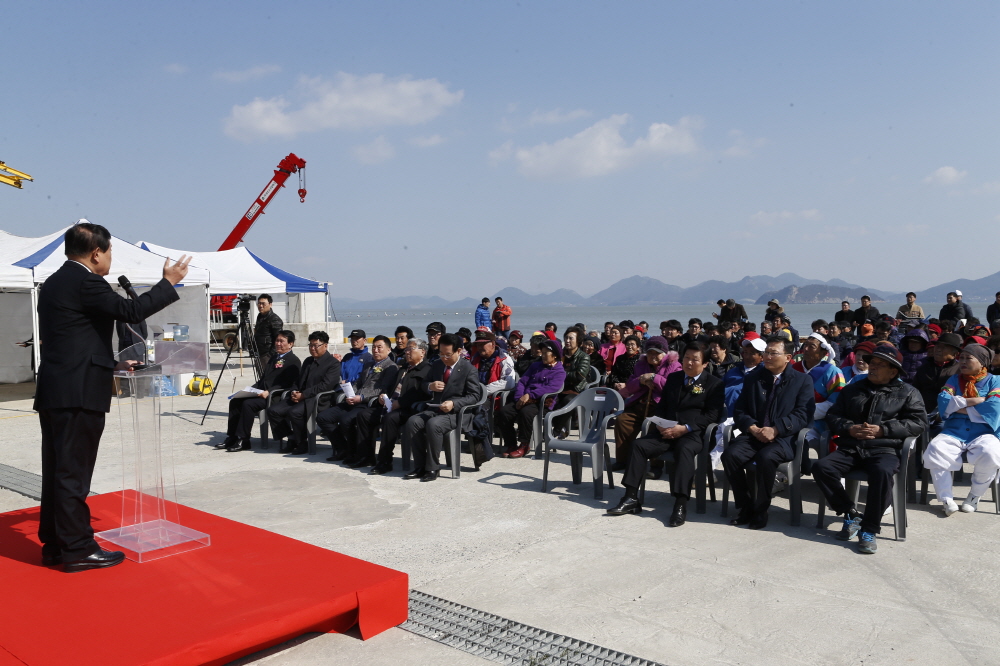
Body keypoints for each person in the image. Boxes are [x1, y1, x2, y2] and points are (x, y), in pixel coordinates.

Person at [35, 222, 190, 572]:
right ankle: (77, 549)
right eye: (108, 253)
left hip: (57, 388)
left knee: (57, 470)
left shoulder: (53, 283)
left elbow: (74, 339)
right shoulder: (86, 281)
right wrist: (169, 283)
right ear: (95, 253)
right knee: (73, 473)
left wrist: (112, 362)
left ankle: (56, 544)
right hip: (78, 392)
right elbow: (130, 312)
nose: (108, 261)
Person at [815, 344, 927, 554]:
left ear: (893, 371)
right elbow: (833, 416)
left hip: (884, 449)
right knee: (822, 467)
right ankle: (851, 513)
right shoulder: (853, 388)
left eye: (879, 365)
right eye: (872, 363)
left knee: (882, 472)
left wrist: (883, 430)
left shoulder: (908, 392)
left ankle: (869, 529)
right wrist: (850, 428)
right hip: (852, 447)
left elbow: (918, 423)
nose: (872, 367)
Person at [607, 342, 724, 527]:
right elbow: (662, 406)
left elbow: (712, 415)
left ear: (705, 364)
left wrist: (685, 428)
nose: (689, 363)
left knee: (684, 451)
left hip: (692, 434)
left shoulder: (714, 384)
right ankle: (630, 498)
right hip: (667, 431)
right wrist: (660, 423)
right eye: (686, 358)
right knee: (638, 446)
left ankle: (680, 504)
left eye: (695, 360)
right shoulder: (675, 378)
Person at [721, 337, 815, 529]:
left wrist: (777, 429)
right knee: (730, 455)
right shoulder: (753, 378)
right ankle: (746, 506)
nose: (767, 357)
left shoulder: (802, 381)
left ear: (788, 357)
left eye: (773, 353)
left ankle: (761, 508)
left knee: (766, 457)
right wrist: (753, 428)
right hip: (755, 433)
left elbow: (803, 415)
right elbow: (740, 410)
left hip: (784, 438)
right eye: (766, 353)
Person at [922, 344, 1000, 515]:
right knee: (936, 448)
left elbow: (994, 406)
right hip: (954, 431)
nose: (962, 362)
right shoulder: (954, 380)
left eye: (968, 358)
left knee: (991, 452)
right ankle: (946, 498)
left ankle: (975, 495)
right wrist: (977, 401)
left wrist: (958, 404)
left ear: (982, 362)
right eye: (961, 358)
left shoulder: (995, 381)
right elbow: (943, 401)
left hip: (984, 432)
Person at [402, 334, 484, 481]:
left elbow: (474, 396)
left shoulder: (468, 369)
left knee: (434, 425)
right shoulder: (437, 365)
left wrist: (454, 403)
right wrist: (430, 386)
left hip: (458, 413)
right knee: (413, 422)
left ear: (459, 351)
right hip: (437, 408)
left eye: (448, 354)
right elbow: (424, 384)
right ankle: (420, 466)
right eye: (441, 353)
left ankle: (433, 468)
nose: (444, 358)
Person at [319, 335, 399, 467]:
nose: (376, 350)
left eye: (380, 347)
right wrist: (350, 392)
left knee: (346, 420)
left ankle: (356, 453)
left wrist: (361, 397)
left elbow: (382, 389)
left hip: (368, 403)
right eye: (374, 347)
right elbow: (359, 383)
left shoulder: (391, 367)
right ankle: (343, 448)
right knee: (323, 417)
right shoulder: (368, 363)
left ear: (389, 349)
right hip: (354, 400)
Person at [219, 329, 301, 452]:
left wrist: (269, 391)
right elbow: (263, 379)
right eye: (277, 340)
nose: (278, 343)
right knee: (236, 401)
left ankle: (244, 439)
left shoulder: (293, 361)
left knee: (248, 404)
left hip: (275, 396)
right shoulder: (274, 358)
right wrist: (249, 389)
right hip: (262, 392)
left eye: (281, 341)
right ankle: (232, 436)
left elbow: (288, 384)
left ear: (290, 344)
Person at [267, 331, 342, 454]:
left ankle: (302, 442)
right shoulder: (308, 361)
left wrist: (304, 395)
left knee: (294, 412)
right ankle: (292, 438)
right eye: (310, 345)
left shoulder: (332, 363)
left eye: (316, 345)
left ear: (325, 345)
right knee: (273, 411)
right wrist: (294, 391)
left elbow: (325, 386)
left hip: (318, 399)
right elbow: (298, 380)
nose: (312, 348)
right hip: (301, 396)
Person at [613, 338, 680, 470]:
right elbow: (629, 387)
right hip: (639, 404)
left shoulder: (674, 366)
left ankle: (656, 466)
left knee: (655, 427)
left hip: (659, 407)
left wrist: (654, 378)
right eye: (650, 353)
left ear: (664, 353)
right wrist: (641, 381)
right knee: (622, 421)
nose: (653, 356)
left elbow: (672, 388)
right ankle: (623, 460)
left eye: (657, 353)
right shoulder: (640, 365)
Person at [366, 339, 431, 475]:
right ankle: (364, 456)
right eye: (406, 350)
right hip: (392, 405)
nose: (407, 352)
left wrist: (401, 403)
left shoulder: (427, 370)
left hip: (411, 409)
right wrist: (383, 395)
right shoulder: (403, 368)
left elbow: (421, 393)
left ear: (422, 352)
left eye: (410, 349)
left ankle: (384, 461)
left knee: (390, 419)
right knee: (364, 415)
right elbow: (390, 387)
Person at [495, 339, 566, 459]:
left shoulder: (559, 371)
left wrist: (529, 396)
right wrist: (519, 398)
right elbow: (523, 381)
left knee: (526, 413)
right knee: (504, 412)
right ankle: (511, 443)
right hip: (523, 399)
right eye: (542, 353)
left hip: (542, 402)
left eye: (546, 353)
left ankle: (524, 445)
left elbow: (550, 388)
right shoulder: (536, 365)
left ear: (554, 355)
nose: (543, 356)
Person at [791, 333, 845, 468]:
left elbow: (835, 403)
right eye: (806, 345)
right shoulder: (793, 369)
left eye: (812, 346)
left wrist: (802, 413)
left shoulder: (833, 372)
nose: (806, 349)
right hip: (793, 419)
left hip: (821, 423)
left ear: (823, 353)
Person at [552, 327, 592, 435]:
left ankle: (556, 430)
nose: (567, 341)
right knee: (548, 400)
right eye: (566, 338)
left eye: (571, 338)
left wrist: (560, 374)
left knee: (568, 400)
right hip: (560, 388)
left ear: (578, 341)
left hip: (577, 390)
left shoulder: (584, 357)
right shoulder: (560, 355)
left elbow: (579, 376)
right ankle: (558, 428)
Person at [468, 331, 516, 396]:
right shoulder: (475, 358)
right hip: (473, 394)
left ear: (493, 344)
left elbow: (508, 382)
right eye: (478, 345)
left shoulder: (504, 359)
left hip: (492, 397)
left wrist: (483, 391)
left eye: (482, 344)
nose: (479, 348)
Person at [254, 294, 284, 365]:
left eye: (263, 304)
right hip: (259, 353)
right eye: (259, 303)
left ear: (270, 304)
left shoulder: (274, 319)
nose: (260, 306)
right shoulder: (260, 316)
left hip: (268, 355)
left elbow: (278, 339)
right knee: (261, 376)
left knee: (269, 375)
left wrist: (270, 355)